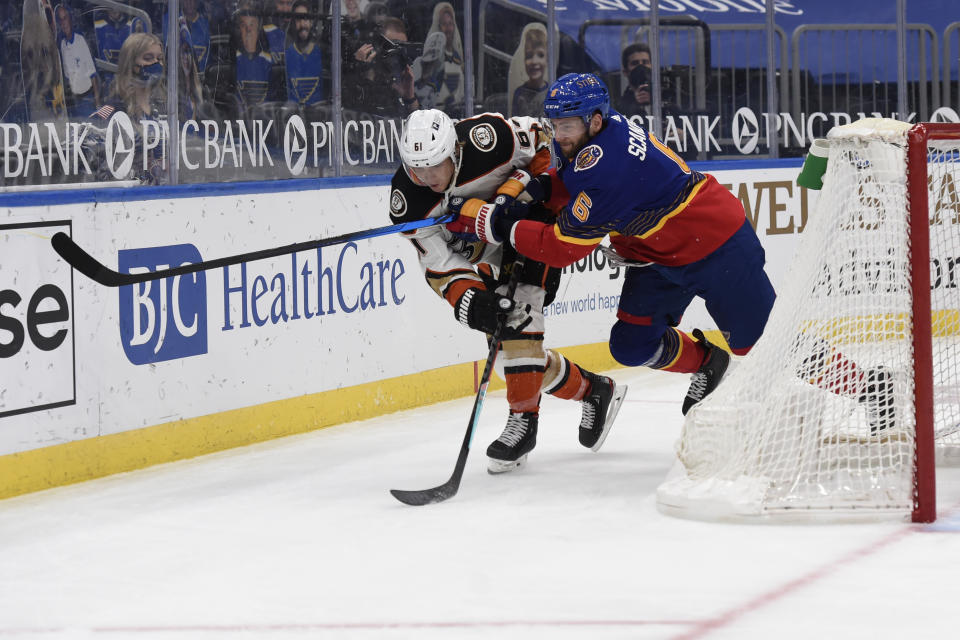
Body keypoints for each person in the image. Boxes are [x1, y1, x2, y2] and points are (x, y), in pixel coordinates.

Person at [447, 73, 776, 415]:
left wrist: (498, 223)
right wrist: (531, 192)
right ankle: (709, 362)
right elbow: (570, 179)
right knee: (632, 346)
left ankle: (837, 383)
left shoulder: (611, 170)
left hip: (717, 248)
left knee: (772, 349)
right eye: (555, 125)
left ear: (595, 120)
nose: (558, 137)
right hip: (656, 255)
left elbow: (561, 247)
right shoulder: (600, 129)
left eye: (567, 127)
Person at [390, 109, 627, 473]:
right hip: (486, 250)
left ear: (454, 150)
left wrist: (521, 193)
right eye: (416, 168)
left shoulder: (491, 137)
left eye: (435, 165)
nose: (427, 177)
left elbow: (547, 146)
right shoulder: (407, 198)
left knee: (520, 314)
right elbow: (439, 261)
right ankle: (594, 390)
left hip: (533, 224)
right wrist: (469, 299)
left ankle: (522, 423)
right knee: (509, 360)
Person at [89, 33, 166, 183]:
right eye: (148, 58)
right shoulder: (113, 110)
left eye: (160, 59)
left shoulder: (163, 106)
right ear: (131, 64)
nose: (156, 64)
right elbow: (100, 168)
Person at [345, 16, 419, 117]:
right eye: (392, 46)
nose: (397, 53)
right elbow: (350, 113)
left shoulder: (404, 79)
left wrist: (409, 97)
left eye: (402, 47)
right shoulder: (361, 75)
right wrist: (359, 70)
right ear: (378, 46)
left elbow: (418, 124)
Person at [56, 3, 101, 118]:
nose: (63, 22)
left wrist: (97, 105)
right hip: (73, 101)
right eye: (60, 20)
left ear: (70, 19)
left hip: (88, 99)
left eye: (65, 18)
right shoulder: (62, 44)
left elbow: (93, 74)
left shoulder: (80, 40)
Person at [234, 2, 278, 115]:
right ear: (239, 30)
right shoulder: (232, 62)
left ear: (258, 30)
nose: (248, 30)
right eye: (244, 25)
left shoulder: (270, 63)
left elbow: (275, 103)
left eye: (252, 25)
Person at [284, 0, 324, 108]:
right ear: (293, 23)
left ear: (311, 21)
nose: (302, 24)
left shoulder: (322, 54)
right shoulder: (286, 55)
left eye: (305, 18)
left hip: (318, 120)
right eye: (298, 19)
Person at [426, 2, 463, 115]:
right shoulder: (430, 59)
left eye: (450, 24)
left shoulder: (457, 58)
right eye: (444, 24)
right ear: (438, 27)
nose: (448, 29)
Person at [508, 22, 547, 117]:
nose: (534, 61)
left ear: (548, 60)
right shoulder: (519, 93)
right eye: (529, 56)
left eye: (540, 55)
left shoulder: (552, 94)